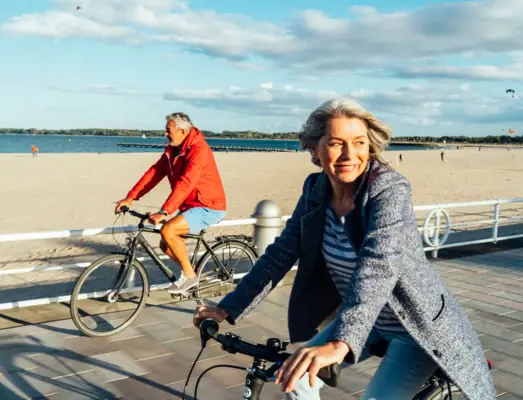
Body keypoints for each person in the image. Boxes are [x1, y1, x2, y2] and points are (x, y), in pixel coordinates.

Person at [193, 98, 495, 399]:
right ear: (315, 148)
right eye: (337, 143)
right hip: (365, 317)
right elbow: (280, 254)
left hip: (413, 326)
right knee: (297, 380)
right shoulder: (315, 191)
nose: (350, 154)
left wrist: (341, 343)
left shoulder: (388, 190)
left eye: (359, 142)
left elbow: (377, 267)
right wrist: (225, 308)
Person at [115, 112, 227, 295]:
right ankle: (190, 271)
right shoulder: (172, 150)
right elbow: (154, 173)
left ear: (182, 131)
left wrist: (164, 211)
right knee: (165, 244)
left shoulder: (199, 150)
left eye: (168, 131)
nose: (165, 135)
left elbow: (186, 183)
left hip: (209, 206)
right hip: (190, 206)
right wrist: (130, 197)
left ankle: (190, 276)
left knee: (169, 230)